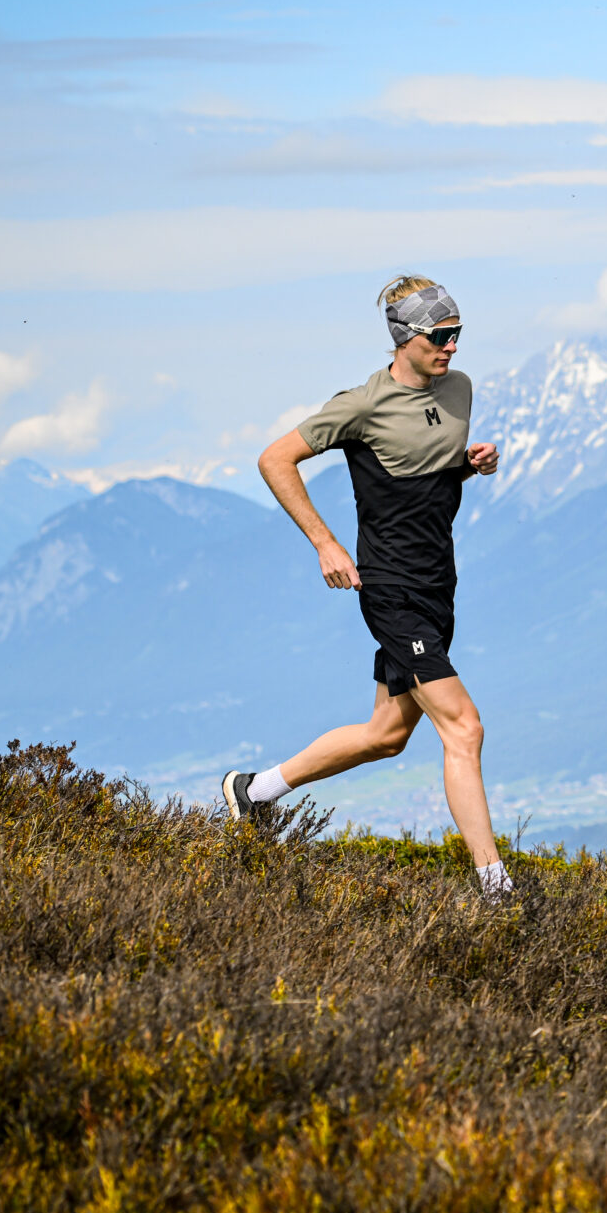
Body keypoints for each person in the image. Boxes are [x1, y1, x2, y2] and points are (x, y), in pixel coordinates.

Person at [219, 275, 513, 903]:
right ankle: (497, 889)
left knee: (386, 734)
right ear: (406, 336)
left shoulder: (457, 389)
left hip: (439, 584)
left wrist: (471, 463)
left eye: (458, 334)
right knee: (464, 728)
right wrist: (325, 543)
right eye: (440, 335)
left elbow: (422, 471)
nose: (453, 347)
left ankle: (252, 790)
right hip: (392, 589)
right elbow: (275, 459)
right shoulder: (360, 404)